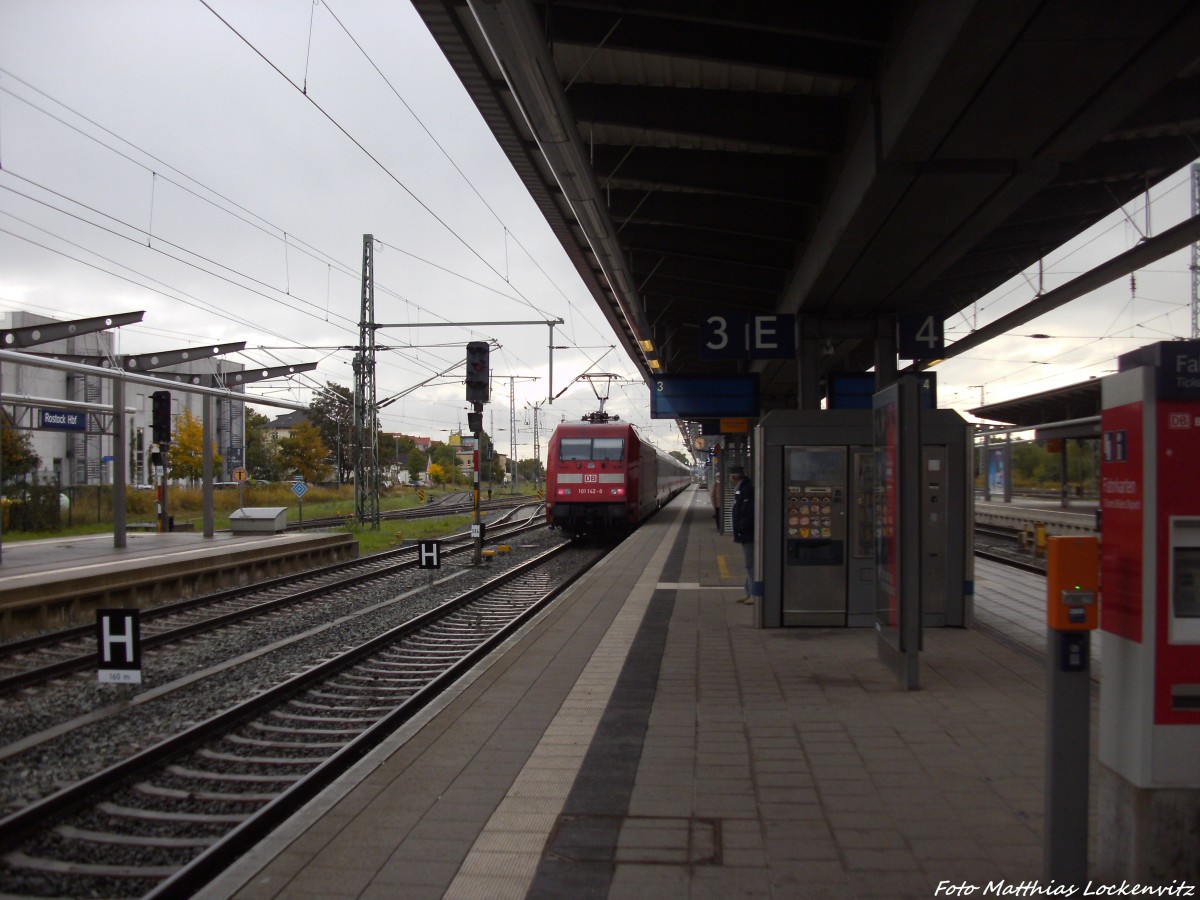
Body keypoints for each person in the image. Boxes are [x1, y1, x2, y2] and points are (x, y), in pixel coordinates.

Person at [730, 466, 760, 605]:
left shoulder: (745, 489)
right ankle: (748, 593)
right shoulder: (742, 488)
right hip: (745, 532)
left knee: (751, 564)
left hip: (748, 533)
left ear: (734, 477)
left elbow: (748, 512)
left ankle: (754, 594)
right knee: (749, 564)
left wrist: (741, 527)